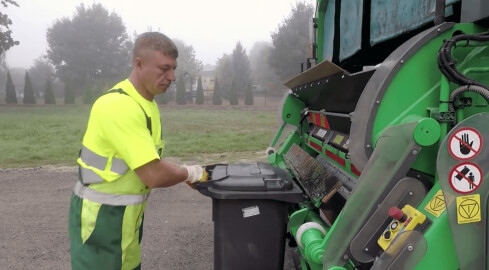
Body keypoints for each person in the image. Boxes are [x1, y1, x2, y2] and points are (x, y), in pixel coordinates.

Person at [68, 32, 204, 270]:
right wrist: (189, 173)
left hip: (126, 218)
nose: (171, 77)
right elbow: (153, 173)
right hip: (101, 219)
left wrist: (182, 173)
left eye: (173, 68)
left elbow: (146, 160)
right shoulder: (119, 105)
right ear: (138, 64)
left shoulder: (146, 103)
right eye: (164, 68)